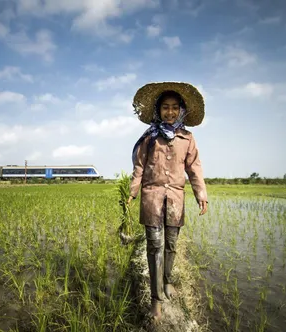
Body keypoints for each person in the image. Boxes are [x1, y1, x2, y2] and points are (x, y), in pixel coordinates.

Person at [127, 82, 208, 322]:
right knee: (154, 247)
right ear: (158, 110)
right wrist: (131, 193)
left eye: (174, 107)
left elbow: (194, 168)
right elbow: (139, 167)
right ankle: (156, 300)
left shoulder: (187, 138)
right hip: (151, 198)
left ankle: (168, 281)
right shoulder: (149, 138)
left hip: (176, 198)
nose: (170, 112)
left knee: (171, 244)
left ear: (181, 110)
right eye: (165, 107)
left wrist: (200, 194)